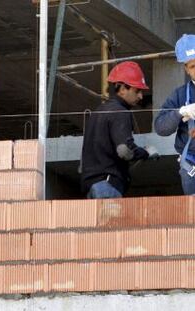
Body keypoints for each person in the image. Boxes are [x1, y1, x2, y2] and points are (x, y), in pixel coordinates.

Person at [81, 61, 156, 199]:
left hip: (91, 186)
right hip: (107, 186)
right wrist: (146, 152)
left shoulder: (98, 112)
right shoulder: (121, 112)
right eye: (137, 90)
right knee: (112, 221)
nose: (140, 96)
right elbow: (124, 151)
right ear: (122, 89)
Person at [155, 34, 195, 195]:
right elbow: (160, 127)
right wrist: (180, 112)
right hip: (192, 166)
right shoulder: (180, 95)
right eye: (193, 66)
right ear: (186, 68)